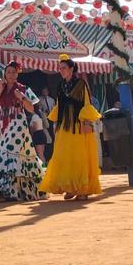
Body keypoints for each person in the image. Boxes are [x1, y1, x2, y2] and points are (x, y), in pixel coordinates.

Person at [0, 62, 44, 202]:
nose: (11, 74)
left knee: (9, 154)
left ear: (18, 73)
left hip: (18, 126)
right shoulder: (0, 88)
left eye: (14, 72)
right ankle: (5, 190)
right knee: (4, 154)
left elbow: (32, 108)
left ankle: (7, 191)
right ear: (4, 73)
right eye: (8, 72)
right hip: (4, 128)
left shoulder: (23, 88)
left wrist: (21, 97)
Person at [40, 55, 101, 201]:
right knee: (64, 155)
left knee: (79, 155)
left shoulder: (81, 84)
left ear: (71, 69)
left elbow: (86, 103)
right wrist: (56, 124)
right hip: (64, 125)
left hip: (77, 124)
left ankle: (82, 189)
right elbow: (59, 105)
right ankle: (70, 187)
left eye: (64, 68)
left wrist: (86, 122)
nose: (61, 71)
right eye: (60, 68)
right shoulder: (61, 85)